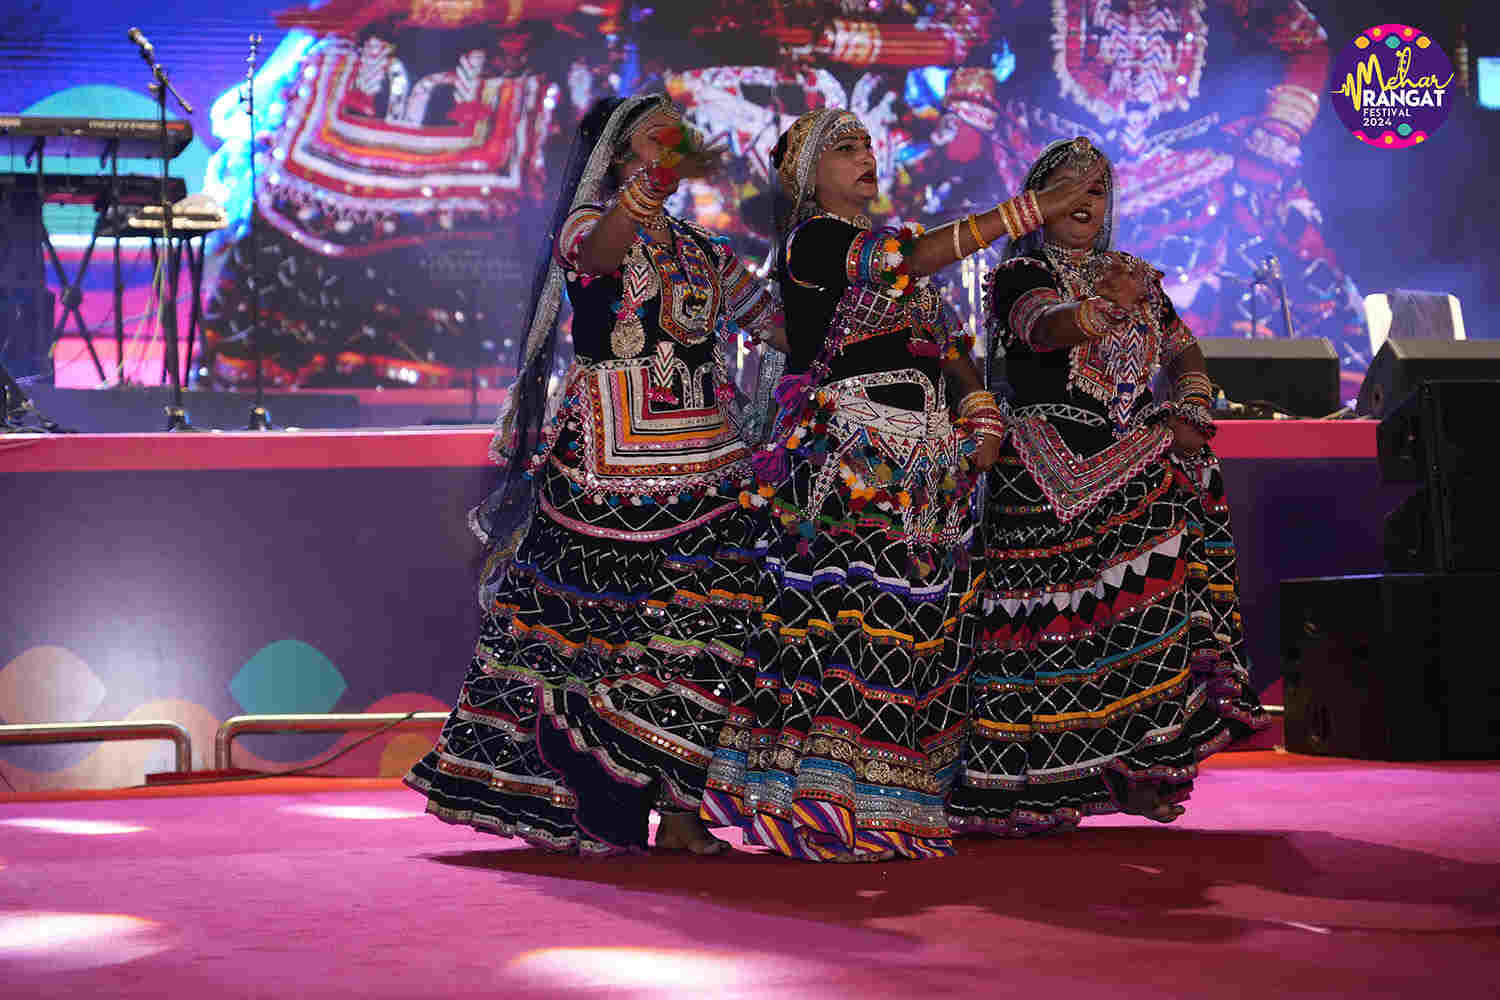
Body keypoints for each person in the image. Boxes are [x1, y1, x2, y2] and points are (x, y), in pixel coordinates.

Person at [698, 108, 1102, 861]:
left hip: (923, 465)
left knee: (913, 628)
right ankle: (814, 805)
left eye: (867, 146)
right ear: (806, 177)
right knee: (847, 624)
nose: (866, 157)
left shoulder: (896, 254)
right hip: (847, 459)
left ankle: (889, 805)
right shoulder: (816, 241)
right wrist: (1032, 209)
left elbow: (945, 346)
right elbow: (910, 260)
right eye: (844, 149)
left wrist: (979, 410)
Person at [406, 93, 780, 856]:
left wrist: (865, 290)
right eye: (653, 129)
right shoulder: (588, 225)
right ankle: (593, 803)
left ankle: (680, 808)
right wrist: (647, 186)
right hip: (603, 468)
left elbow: (776, 324)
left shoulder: (704, 250)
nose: (673, 132)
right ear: (617, 152)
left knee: (711, 636)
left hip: (711, 462)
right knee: (588, 639)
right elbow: (603, 255)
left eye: (677, 127)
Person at [946, 137, 1270, 837]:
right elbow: (1042, 328)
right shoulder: (1022, 272)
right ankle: (1038, 785)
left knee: (1154, 598)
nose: (1083, 200)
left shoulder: (1137, 276)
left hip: (1126, 449)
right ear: (1039, 202)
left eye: (1096, 189)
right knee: (1051, 627)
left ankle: (1141, 766)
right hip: (1044, 459)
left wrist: (1191, 406)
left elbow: (1183, 349)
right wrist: (1098, 309)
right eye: (1067, 187)